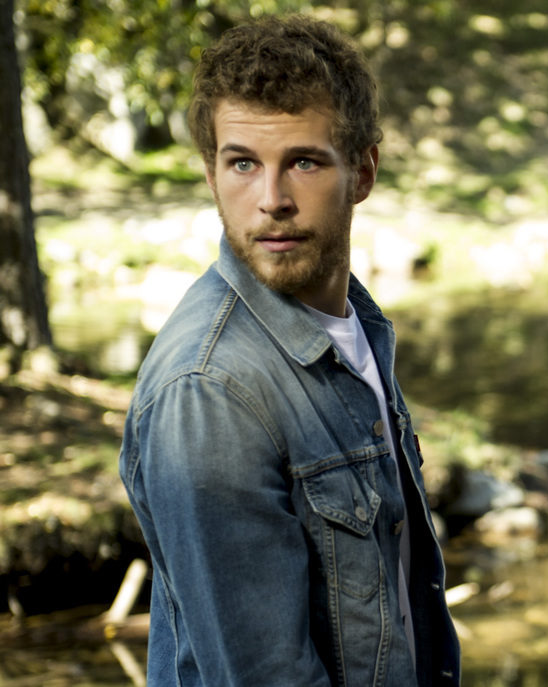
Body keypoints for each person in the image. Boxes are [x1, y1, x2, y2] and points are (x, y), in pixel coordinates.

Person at [118, 15, 460, 686]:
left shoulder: (355, 324)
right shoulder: (210, 389)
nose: (270, 200)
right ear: (212, 176)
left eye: (303, 161)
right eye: (242, 163)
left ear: (362, 171)